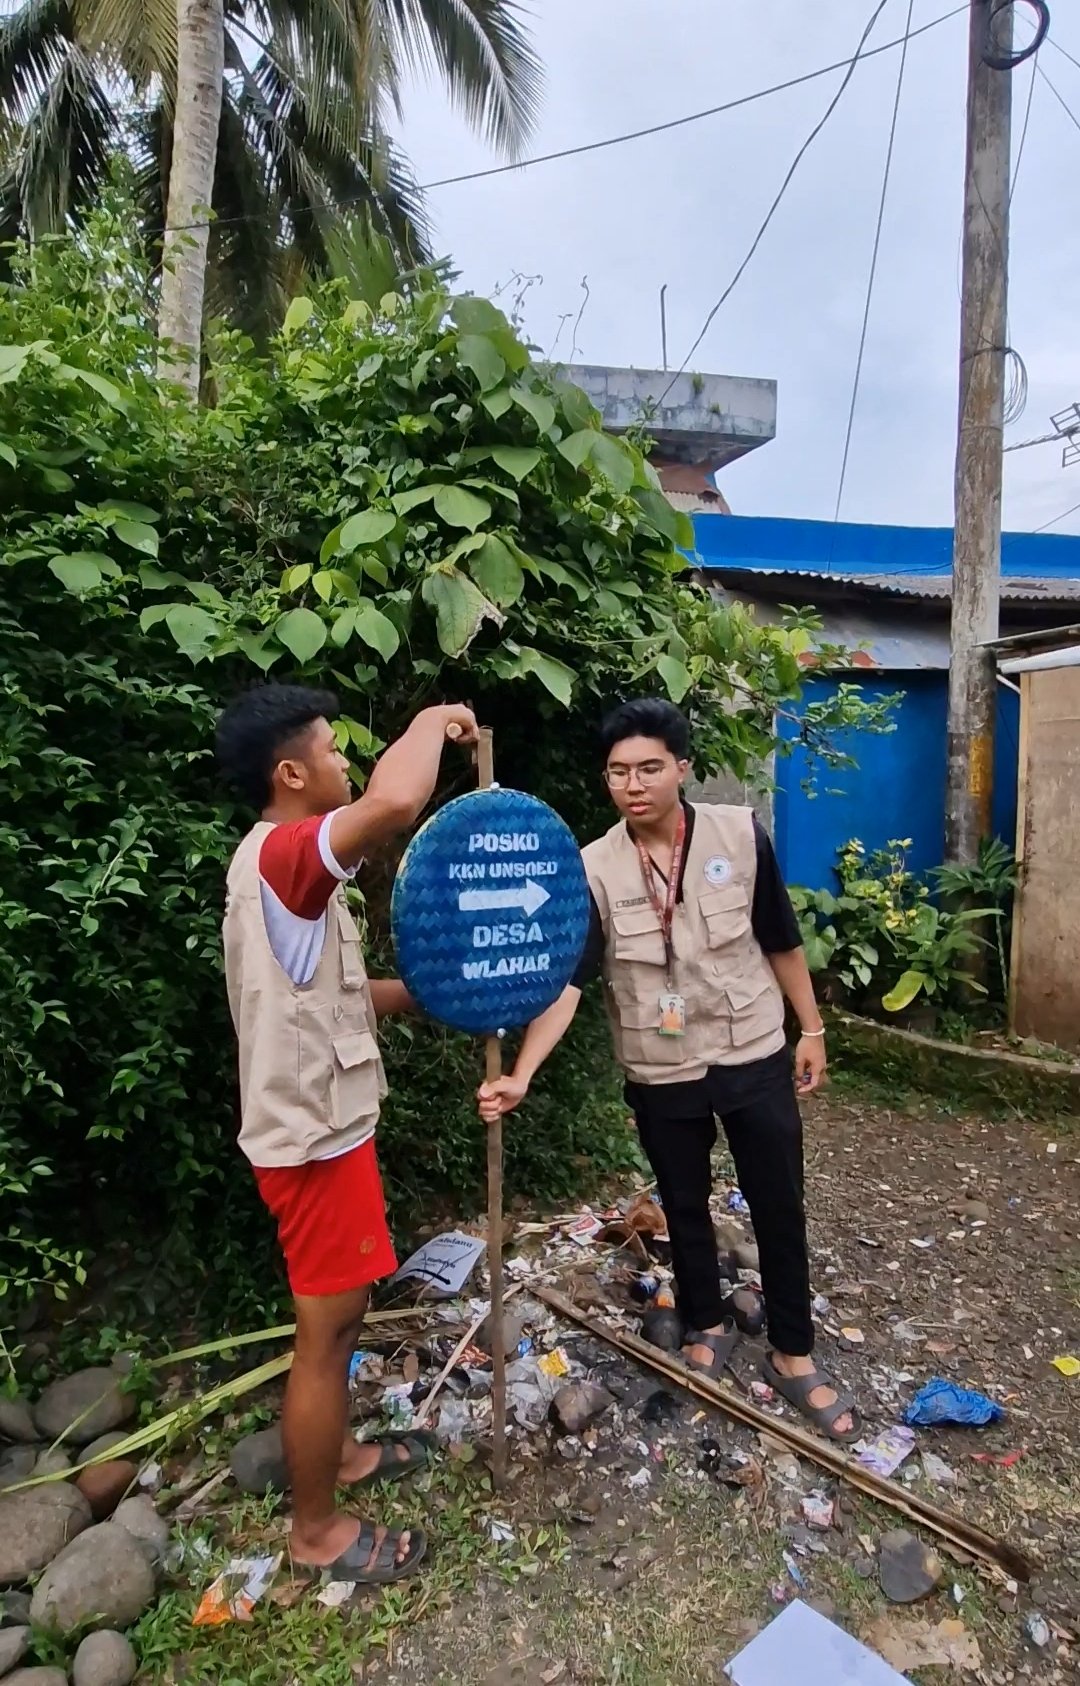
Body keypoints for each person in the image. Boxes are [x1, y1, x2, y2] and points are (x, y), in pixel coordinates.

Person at [477, 698, 860, 1443]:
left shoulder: (737, 835)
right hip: (661, 1065)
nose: (633, 784)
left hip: (751, 1049)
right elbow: (571, 983)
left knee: (778, 1203)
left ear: (682, 768)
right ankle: (707, 1319)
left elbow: (779, 938)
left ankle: (793, 1351)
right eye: (618, 771)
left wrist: (810, 1028)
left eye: (649, 768)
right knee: (683, 1203)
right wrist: (522, 1072)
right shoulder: (592, 866)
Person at [215, 685, 479, 1583]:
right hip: (312, 1146)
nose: (344, 762)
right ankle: (316, 1532)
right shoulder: (288, 854)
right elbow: (397, 801)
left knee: (343, 1320)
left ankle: (347, 1458)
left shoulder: (292, 877)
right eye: (330, 749)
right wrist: (432, 721)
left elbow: (331, 997)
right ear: (291, 774)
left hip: (324, 1132)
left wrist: (435, 995)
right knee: (326, 1339)